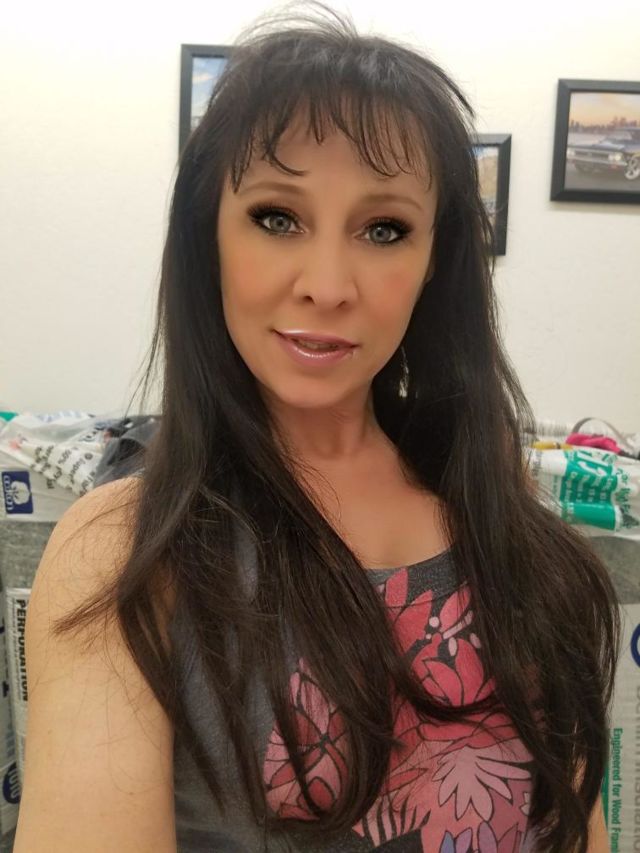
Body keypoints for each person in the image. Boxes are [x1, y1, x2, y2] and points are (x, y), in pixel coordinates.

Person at [15, 2, 620, 851]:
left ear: (434, 263)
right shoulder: (122, 553)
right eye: (277, 217)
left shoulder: (496, 507)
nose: (328, 284)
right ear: (208, 238)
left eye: (384, 229)